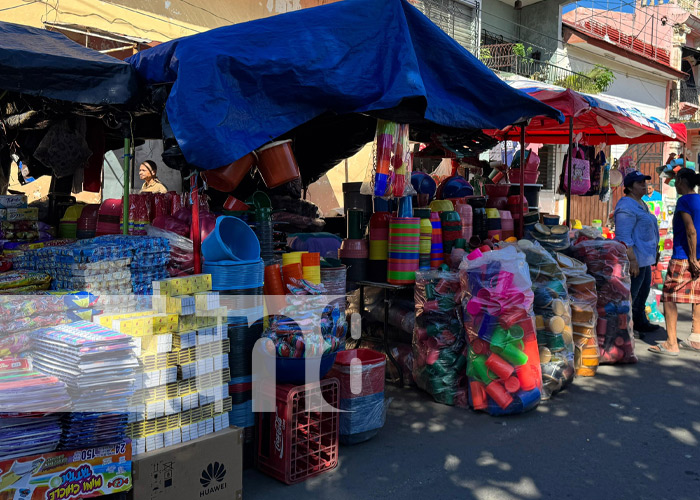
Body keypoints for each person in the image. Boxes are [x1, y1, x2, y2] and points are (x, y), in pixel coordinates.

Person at [649, 168, 700, 355]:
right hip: (698, 256)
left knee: (669, 296)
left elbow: (690, 230)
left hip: (684, 256)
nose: (674, 184)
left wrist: (692, 258)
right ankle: (696, 338)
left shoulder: (683, 201)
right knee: (697, 295)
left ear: (681, 181)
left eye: (675, 181)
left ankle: (671, 343)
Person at [614, 171, 660, 336]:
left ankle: (640, 322)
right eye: (640, 183)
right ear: (630, 187)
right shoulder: (626, 206)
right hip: (635, 259)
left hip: (645, 258)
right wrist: (632, 260)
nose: (644, 185)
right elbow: (623, 236)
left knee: (642, 294)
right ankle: (625, 329)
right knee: (631, 296)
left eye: (644, 182)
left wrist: (656, 250)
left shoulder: (641, 202)